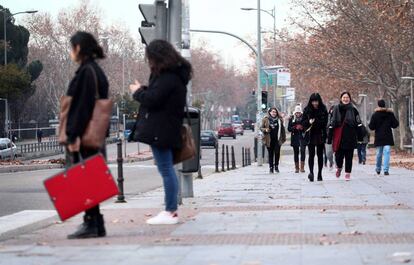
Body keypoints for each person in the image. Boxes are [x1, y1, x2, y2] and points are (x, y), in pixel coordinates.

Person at [129, 39, 191, 225]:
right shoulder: (174, 75)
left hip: (162, 129)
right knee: (166, 169)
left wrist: (137, 92)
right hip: (166, 128)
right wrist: (145, 89)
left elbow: (154, 99)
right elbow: (161, 96)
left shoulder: (168, 76)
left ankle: (170, 211)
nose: (149, 62)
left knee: (166, 169)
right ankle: (170, 210)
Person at [65, 31, 109, 239]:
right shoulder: (97, 71)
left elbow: (82, 106)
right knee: (91, 177)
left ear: (79, 48)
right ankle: (96, 222)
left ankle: (91, 223)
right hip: (96, 132)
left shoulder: (86, 72)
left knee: (85, 178)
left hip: (85, 134)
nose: (71, 52)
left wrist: (73, 135)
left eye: (72, 47)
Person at [328, 91, 363, 181]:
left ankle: (348, 173)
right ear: (341, 99)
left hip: (350, 136)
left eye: (347, 97)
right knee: (338, 157)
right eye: (344, 97)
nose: (345, 99)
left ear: (349, 99)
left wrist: (360, 138)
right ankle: (339, 168)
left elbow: (359, 124)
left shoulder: (354, 110)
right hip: (338, 137)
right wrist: (329, 138)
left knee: (349, 157)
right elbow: (331, 124)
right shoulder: (335, 109)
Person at [368, 99, 399, 176]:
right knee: (386, 152)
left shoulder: (375, 115)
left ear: (378, 105)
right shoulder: (390, 114)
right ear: (385, 105)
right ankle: (380, 169)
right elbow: (395, 124)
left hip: (379, 136)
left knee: (379, 153)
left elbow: (371, 127)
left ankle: (384, 169)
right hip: (387, 136)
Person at [302, 93, 328, 182]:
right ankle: (311, 173)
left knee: (320, 155)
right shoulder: (307, 110)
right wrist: (309, 122)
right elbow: (303, 122)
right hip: (310, 135)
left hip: (320, 134)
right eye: (313, 101)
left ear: (319, 101)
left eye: (316, 101)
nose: (315, 103)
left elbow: (325, 123)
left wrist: (315, 121)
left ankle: (320, 173)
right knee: (311, 155)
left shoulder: (323, 109)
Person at [261, 107, 286, 173]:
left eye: (275, 112)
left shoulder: (279, 120)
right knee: (270, 153)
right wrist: (265, 129)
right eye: (272, 112)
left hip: (277, 139)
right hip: (269, 139)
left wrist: (283, 138)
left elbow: (282, 129)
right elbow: (261, 128)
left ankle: (276, 166)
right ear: (270, 112)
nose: (274, 113)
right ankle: (271, 167)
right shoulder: (266, 119)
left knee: (277, 153)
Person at [288, 105, 306, 173]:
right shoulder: (291, 118)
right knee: (296, 153)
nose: (298, 114)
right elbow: (289, 128)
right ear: (295, 113)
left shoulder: (304, 118)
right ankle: (296, 168)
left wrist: (302, 127)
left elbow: (307, 127)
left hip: (302, 137)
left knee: (303, 151)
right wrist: (295, 127)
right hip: (294, 137)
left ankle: (302, 167)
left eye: (299, 112)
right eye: (296, 112)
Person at [324, 105, 335, 170]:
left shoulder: (338, 117)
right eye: (332, 110)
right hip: (328, 137)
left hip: (336, 137)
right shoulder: (326, 117)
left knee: (337, 152)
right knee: (328, 153)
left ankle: (338, 164)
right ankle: (331, 162)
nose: (333, 111)